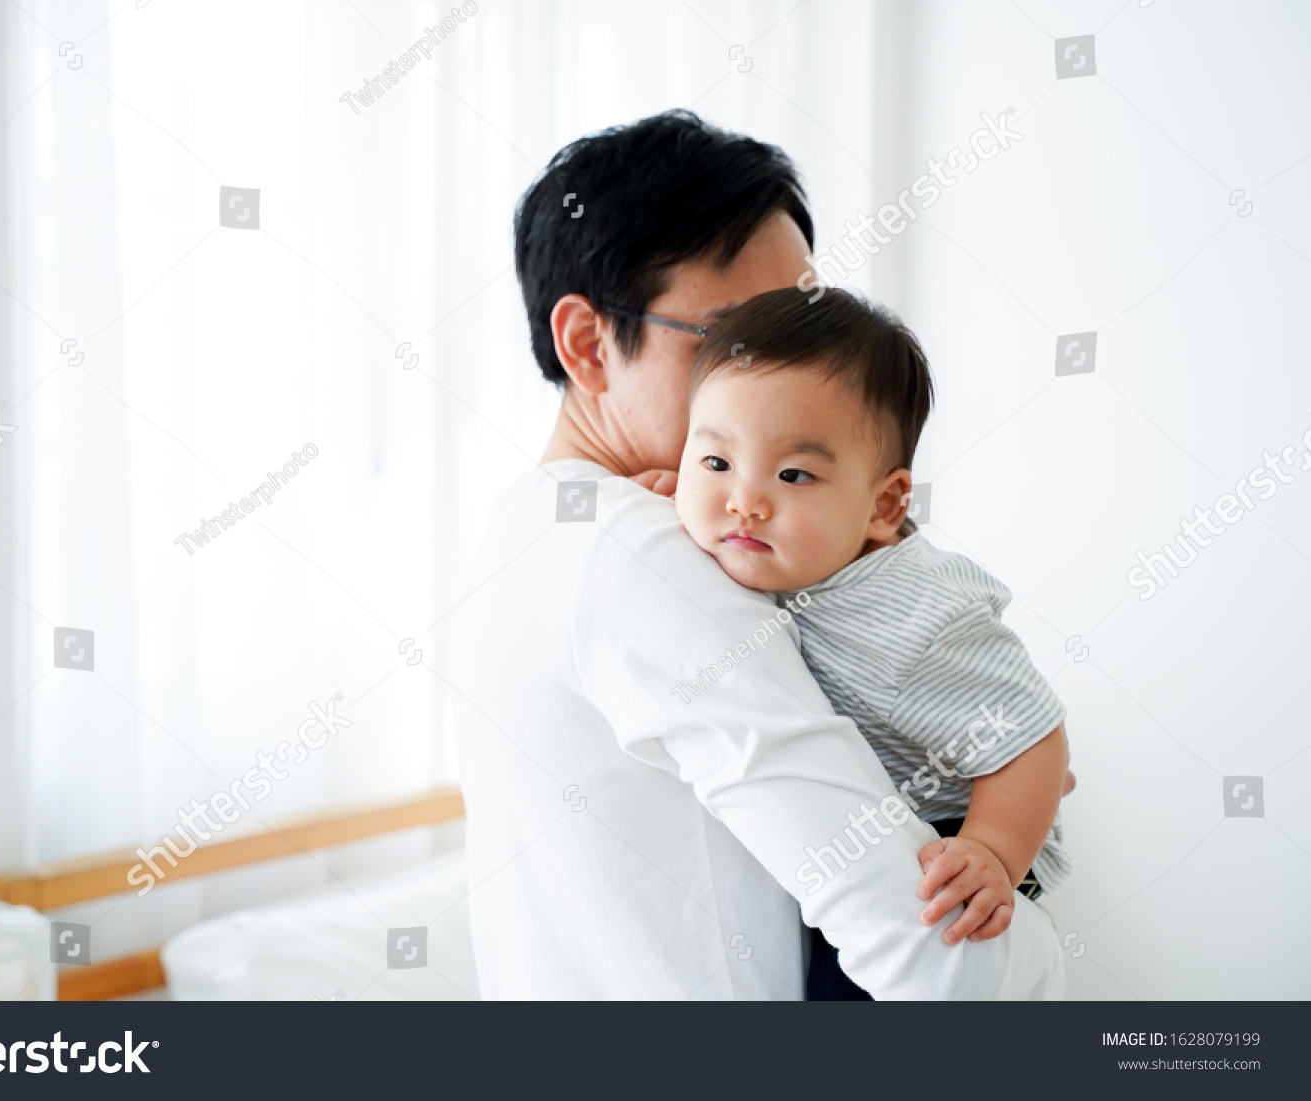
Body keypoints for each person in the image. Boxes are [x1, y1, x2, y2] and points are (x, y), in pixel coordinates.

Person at [442, 110, 1064, 998]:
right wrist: (1027, 918)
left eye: (796, 321)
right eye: (734, 333)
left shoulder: (522, 531)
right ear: (587, 342)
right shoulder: (653, 554)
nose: (778, 368)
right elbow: (942, 963)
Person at [644, 285, 1073, 999]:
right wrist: (679, 490)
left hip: (955, 827)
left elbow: (1035, 735)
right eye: (716, 462)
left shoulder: (919, 609)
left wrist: (994, 849)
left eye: (793, 475)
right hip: (860, 813)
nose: (744, 500)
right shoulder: (775, 544)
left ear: (883, 506)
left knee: (867, 970)